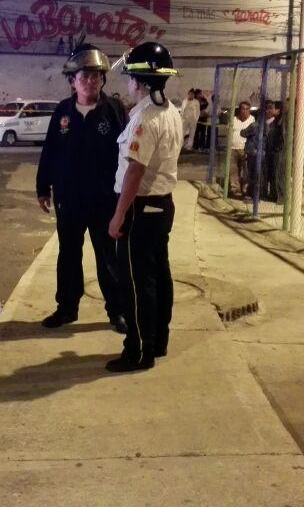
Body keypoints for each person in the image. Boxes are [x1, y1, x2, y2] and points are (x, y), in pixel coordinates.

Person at [36, 44, 128, 333]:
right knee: (68, 256)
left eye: (96, 76)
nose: (90, 81)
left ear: (102, 80)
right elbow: (50, 151)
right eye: (84, 76)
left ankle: (117, 311)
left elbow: (127, 154)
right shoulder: (62, 112)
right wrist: (43, 187)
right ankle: (66, 308)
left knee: (108, 258)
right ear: (72, 81)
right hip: (69, 200)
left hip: (104, 201)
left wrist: (125, 196)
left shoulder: (113, 109)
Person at [107, 41, 182, 372]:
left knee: (136, 281)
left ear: (139, 82)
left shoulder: (145, 119)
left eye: (129, 79)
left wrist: (119, 214)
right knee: (158, 276)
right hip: (162, 206)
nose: (127, 84)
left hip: (141, 208)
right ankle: (158, 341)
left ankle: (138, 350)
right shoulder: (171, 111)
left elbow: (134, 171)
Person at [229, 102, 254, 196]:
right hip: (233, 148)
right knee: (233, 169)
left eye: (247, 109)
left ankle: (245, 188)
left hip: (245, 149)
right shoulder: (234, 119)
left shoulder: (252, 120)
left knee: (246, 170)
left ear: (249, 110)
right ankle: (235, 188)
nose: (244, 111)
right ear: (239, 110)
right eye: (243, 108)